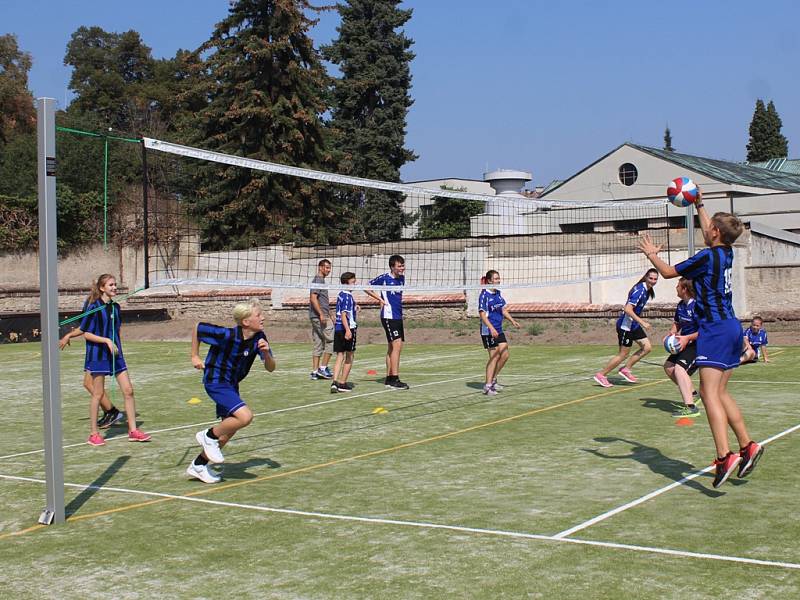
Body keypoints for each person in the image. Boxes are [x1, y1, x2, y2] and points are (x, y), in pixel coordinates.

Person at [640, 191, 763, 488]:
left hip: (715, 329)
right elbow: (714, 233)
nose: (704, 229)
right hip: (732, 326)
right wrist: (700, 205)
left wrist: (651, 255)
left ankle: (725, 455)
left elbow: (668, 272)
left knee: (708, 396)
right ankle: (747, 445)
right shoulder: (726, 251)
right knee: (720, 393)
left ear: (715, 232)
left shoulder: (707, 256)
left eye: (708, 227)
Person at [189, 300, 276, 484]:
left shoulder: (259, 337)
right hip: (216, 381)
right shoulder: (226, 334)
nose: (263, 317)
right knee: (245, 417)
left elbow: (270, 368)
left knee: (230, 428)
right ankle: (208, 435)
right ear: (245, 321)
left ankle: (199, 465)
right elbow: (198, 327)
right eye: (259, 315)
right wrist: (194, 355)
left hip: (231, 384)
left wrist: (267, 353)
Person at [78, 274, 151, 446]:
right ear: (102, 288)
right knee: (97, 394)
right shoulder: (94, 307)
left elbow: (116, 330)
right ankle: (93, 434)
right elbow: (86, 333)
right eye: (111, 285)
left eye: (115, 284)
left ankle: (133, 431)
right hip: (98, 354)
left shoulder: (116, 307)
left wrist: (117, 344)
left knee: (128, 390)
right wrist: (106, 341)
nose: (114, 287)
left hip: (116, 355)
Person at [593, 269, 659, 388]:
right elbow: (627, 309)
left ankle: (626, 369)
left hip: (633, 325)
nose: (653, 281)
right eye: (651, 278)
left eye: (655, 279)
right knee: (623, 354)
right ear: (646, 277)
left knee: (647, 347)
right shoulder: (640, 290)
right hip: (626, 326)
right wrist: (642, 322)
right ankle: (601, 375)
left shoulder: (647, 290)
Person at [60, 320, 124, 429]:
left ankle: (112, 412)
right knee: (88, 383)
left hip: (98, 351)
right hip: (93, 350)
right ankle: (109, 412)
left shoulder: (94, 305)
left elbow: (84, 330)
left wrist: (69, 335)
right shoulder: (91, 305)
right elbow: (85, 326)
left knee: (90, 384)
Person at [366, 254, 409, 389]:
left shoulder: (401, 278)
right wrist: (380, 300)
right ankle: (394, 379)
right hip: (388, 316)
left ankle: (389, 378)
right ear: (392, 267)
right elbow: (366, 287)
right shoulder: (384, 278)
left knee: (394, 347)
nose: (402, 268)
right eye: (399, 266)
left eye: (403, 265)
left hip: (398, 316)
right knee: (396, 346)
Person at [663, 278, 701, 418]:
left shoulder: (697, 306)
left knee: (679, 369)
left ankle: (690, 407)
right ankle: (692, 393)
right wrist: (671, 334)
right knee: (668, 366)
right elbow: (677, 323)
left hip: (698, 343)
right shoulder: (681, 305)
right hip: (684, 342)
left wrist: (687, 338)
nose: (676, 287)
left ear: (684, 289)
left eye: (678, 286)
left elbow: (704, 330)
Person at [478, 270, 520, 395]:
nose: (498, 280)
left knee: (505, 354)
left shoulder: (498, 294)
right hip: (488, 330)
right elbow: (482, 315)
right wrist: (491, 328)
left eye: (499, 278)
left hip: (498, 328)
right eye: (496, 279)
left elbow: (502, 309)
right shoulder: (484, 295)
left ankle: (493, 380)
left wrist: (512, 321)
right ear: (490, 280)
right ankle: (488, 386)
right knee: (494, 356)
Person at [331, 272, 358, 394]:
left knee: (340, 356)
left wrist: (355, 308)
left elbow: (343, 311)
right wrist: (348, 330)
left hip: (338, 328)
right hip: (346, 328)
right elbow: (343, 314)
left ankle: (335, 382)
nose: (355, 284)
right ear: (347, 282)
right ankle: (342, 383)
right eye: (353, 282)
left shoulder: (341, 295)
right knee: (349, 356)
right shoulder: (347, 296)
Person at [309, 259, 334, 381]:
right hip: (319, 316)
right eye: (327, 267)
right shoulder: (318, 280)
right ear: (320, 267)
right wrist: (321, 314)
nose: (329, 270)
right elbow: (313, 298)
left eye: (330, 268)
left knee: (319, 342)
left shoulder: (321, 280)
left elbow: (322, 301)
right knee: (332, 340)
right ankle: (323, 368)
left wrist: (329, 313)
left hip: (318, 315)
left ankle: (314, 372)